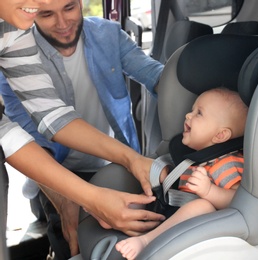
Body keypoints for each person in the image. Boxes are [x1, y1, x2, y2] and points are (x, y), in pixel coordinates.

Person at [0, 0, 166, 258]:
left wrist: (132, 159)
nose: (62, 23)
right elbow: (16, 135)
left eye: (68, 7)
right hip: (57, 168)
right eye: (46, 12)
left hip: (107, 165)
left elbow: (50, 114)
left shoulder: (12, 32)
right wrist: (76, 198)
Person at [115, 87, 249, 259]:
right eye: (192, 110)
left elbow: (237, 200)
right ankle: (121, 210)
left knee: (203, 206)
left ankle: (146, 241)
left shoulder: (226, 163)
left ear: (220, 135)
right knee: (153, 191)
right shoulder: (196, 158)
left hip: (198, 224)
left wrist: (209, 192)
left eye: (199, 113)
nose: (188, 115)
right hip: (175, 211)